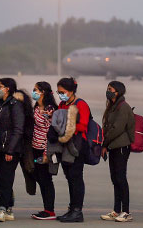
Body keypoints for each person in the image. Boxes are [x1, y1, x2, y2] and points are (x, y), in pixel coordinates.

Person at [56, 77, 90, 223]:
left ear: (70, 91)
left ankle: (77, 211)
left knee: (76, 177)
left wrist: (69, 124)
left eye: (62, 92)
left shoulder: (81, 104)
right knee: (69, 177)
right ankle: (72, 208)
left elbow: (84, 126)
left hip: (77, 145)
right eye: (58, 92)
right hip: (64, 145)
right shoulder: (62, 104)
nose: (60, 94)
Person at [0, 78, 26, 222]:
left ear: (7, 89)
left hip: (10, 149)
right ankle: (9, 208)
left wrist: (10, 150)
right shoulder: (2, 104)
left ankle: (2, 209)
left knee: (5, 178)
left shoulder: (14, 105)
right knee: (2, 178)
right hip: (0, 148)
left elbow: (18, 129)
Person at [100, 81, 135, 223]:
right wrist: (106, 146)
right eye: (107, 89)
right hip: (113, 146)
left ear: (118, 91)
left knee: (121, 178)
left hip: (121, 146)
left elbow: (117, 128)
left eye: (110, 89)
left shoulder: (123, 107)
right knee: (115, 178)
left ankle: (126, 211)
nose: (108, 91)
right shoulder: (112, 106)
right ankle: (116, 210)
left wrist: (104, 143)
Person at [30, 82, 58, 220]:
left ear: (43, 92)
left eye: (35, 90)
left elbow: (51, 131)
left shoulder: (49, 109)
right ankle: (47, 208)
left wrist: (47, 152)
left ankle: (49, 210)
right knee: (39, 177)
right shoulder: (36, 107)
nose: (33, 92)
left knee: (46, 179)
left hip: (44, 149)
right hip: (35, 148)